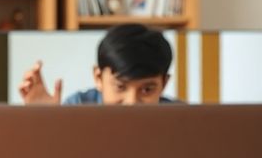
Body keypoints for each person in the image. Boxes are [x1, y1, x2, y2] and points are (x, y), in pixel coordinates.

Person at [18, 23, 175, 105]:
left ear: (164, 83)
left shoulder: (183, 120)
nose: (132, 102)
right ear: (98, 77)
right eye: (120, 87)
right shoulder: (77, 106)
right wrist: (45, 123)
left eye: (147, 90)